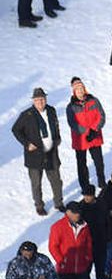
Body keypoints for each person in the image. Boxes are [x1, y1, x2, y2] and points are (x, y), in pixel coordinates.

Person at [13, 88, 65, 216]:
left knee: (56, 180)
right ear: (33, 101)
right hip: (34, 155)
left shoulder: (51, 110)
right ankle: (39, 205)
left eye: (42, 99)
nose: (40, 102)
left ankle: (59, 203)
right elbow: (16, 130)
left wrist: (57, 138)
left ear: (45, 99)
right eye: (37, 100)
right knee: (36, 183)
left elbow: (56, 126)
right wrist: (26, 144)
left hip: (51, 152)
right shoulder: (27, 115)